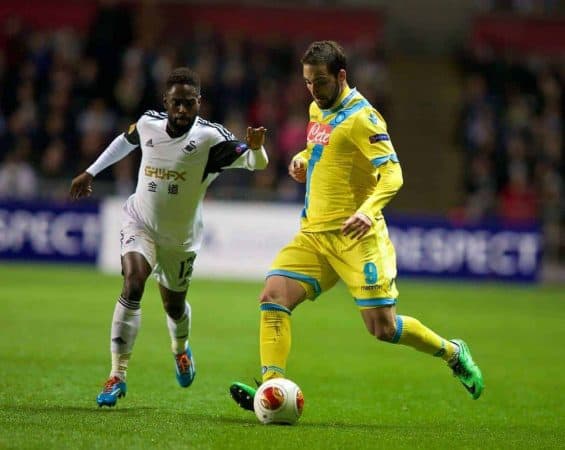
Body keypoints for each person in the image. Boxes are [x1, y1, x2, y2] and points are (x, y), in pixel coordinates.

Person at [229, 41, 483, 411]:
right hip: (314, 235)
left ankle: (452, 352)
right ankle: (272, 388)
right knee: (273, 296)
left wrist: (368, 210)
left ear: (341, 76)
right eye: (307, 83)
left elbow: (393, 173)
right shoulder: (318, 108)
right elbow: (325, 151)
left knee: (382, 327)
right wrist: (302, 160)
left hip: (356, 238)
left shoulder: (365, 118)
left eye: (320, 82)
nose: (313, 90)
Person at [70, 67, 268, 407]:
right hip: (140, 222)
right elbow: (124, 141)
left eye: (189, 104)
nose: (181, 110)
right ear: (166, 101)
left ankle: (180, 349)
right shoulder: (148, 123)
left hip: (180, 240)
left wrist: (258, 148)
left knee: (173, 307)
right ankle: (117, 375)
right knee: (133, 283)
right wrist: (91, 171)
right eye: (176, 103)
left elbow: (255, 163)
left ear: (199, 103)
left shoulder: (211, 139)